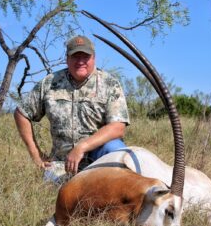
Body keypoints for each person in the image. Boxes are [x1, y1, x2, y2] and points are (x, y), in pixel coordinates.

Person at [14, 35, 130, 183]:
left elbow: (118, 127)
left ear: (94, 58)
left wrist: (82, 147)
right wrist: (36, 155)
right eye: (75, 56)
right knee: (54, 195)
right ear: (67, 58)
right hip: (62, 165)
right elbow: (21, 113)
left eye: (85, 56)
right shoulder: (50, 83)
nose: (80, 61)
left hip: (99, 162)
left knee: (116, 148)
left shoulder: (109, 84)